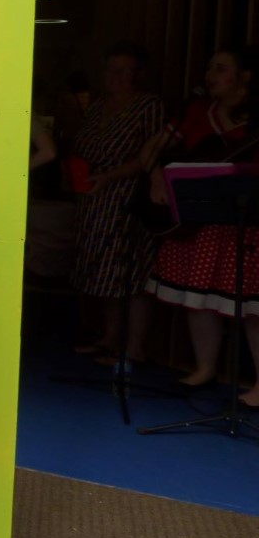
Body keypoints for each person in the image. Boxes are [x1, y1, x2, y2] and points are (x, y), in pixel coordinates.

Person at [146, 45, 259, 402]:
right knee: (198, 300)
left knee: (252, 308)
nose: (211, 75)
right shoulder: (196, 112)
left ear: (245, 76)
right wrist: (157, 178)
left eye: (221, 68)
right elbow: (151, 150)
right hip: (198, 224)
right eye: (210, 68)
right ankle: (205, 367)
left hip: (246, 226)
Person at [68, 42, 162, 363]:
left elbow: (152, 154)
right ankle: (110, 338)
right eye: (111, 69)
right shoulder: (96, 106)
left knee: (131, 272)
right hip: (93, 198)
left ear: (139, 74)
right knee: (102, 271)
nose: (116, 76)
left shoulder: (148, 106)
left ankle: (133, 348)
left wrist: (111, 176)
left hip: (127, 197)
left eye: (124, 70)